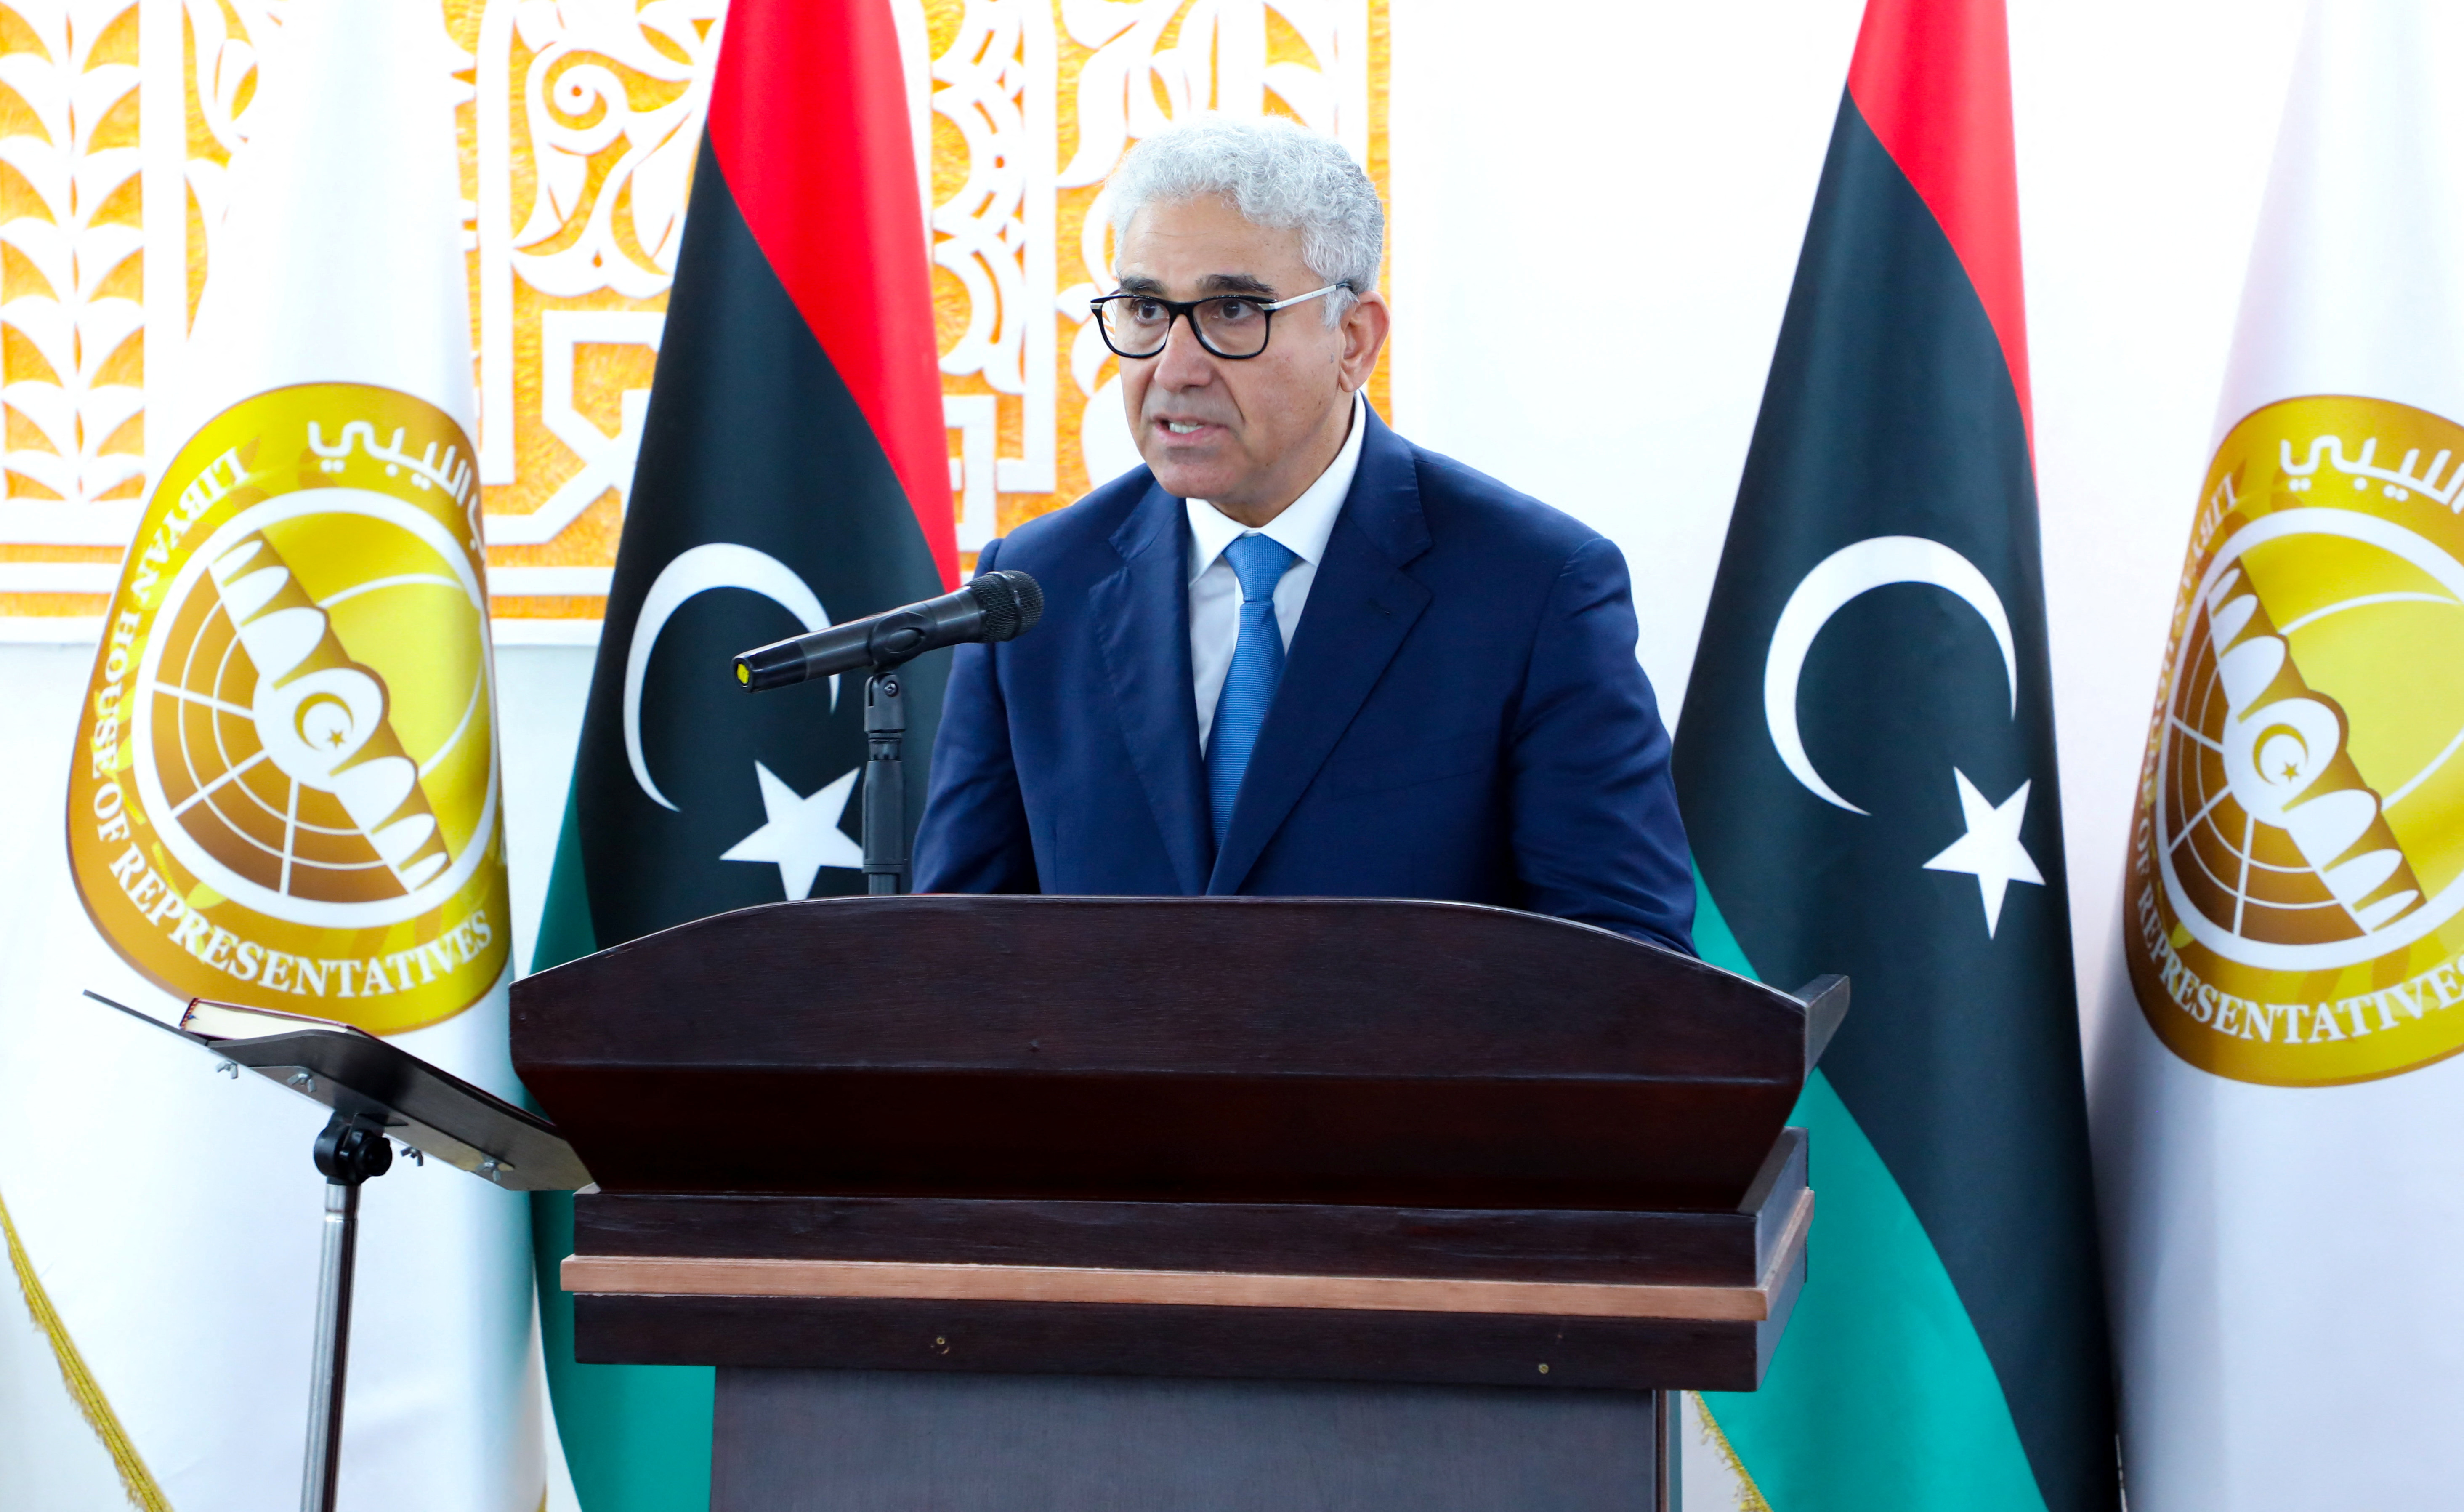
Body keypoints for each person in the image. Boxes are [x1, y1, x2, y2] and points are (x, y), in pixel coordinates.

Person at [913, 114, 1695, 954]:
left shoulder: (1535, 588)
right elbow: (958, 958)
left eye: (1234, 310)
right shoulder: (1033, 589)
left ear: (1353, 340)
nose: (1175, 366)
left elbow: (1629, 961)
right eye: (1145, 309)